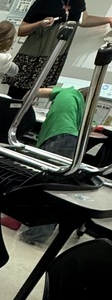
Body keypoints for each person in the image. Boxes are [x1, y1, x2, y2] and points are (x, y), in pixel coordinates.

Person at [8, 0, 112, 100]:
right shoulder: (44, 0)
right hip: (33, 57)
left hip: (56, 55)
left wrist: (108, 20)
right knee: (17, 98)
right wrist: (40, 24)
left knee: (38, 97)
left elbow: (83, 20)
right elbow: (21, 30)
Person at [20, 85, 88, 245]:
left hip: (58, 138)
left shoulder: (67, 91)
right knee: (55, 188)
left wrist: (25, 106)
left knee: (46, 186)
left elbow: (35, 91)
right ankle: (35, 232)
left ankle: (35, 236)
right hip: (70, 140)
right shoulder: (81, 104)